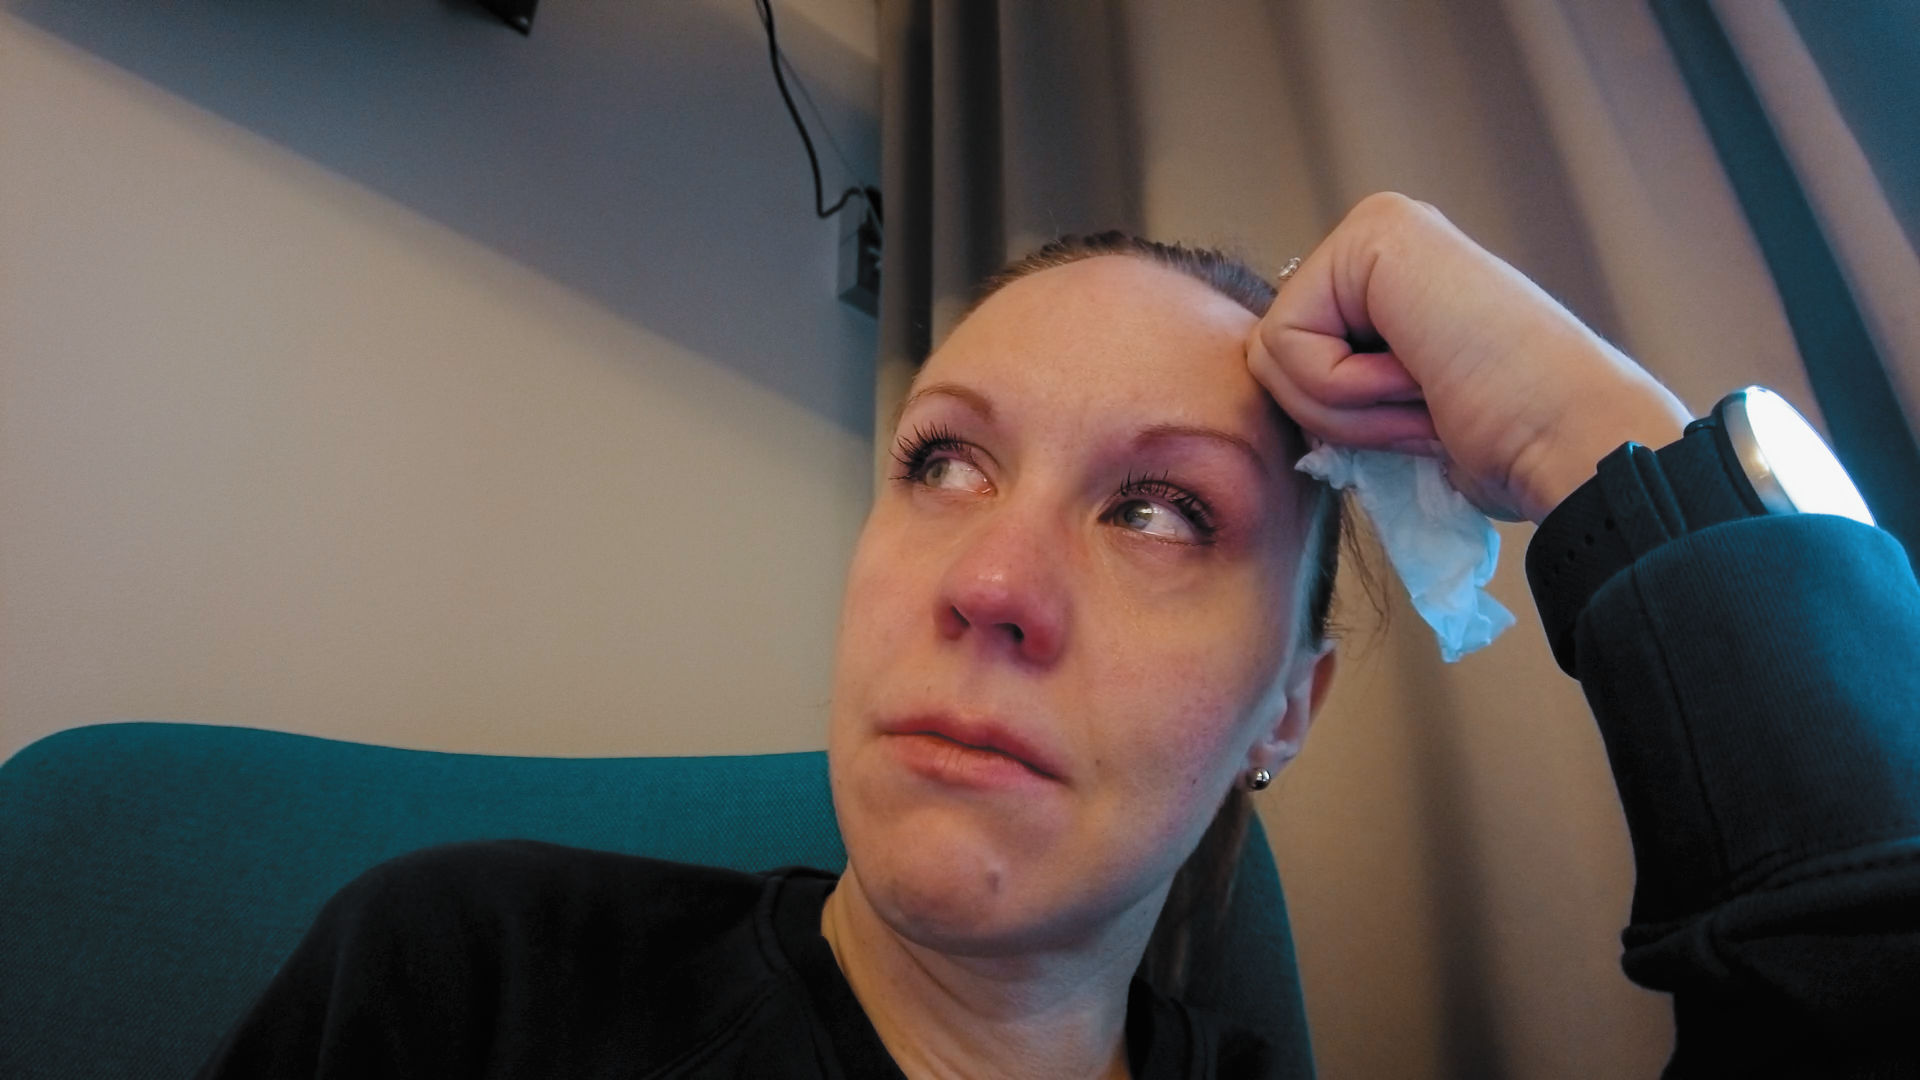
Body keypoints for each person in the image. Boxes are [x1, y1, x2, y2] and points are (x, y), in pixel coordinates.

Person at [194, 193, 1920, 1079]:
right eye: (944, 462)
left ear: (1287, 711)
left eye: (1160, 510)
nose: (991, 582)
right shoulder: (465, 983)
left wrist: (1596, 437)